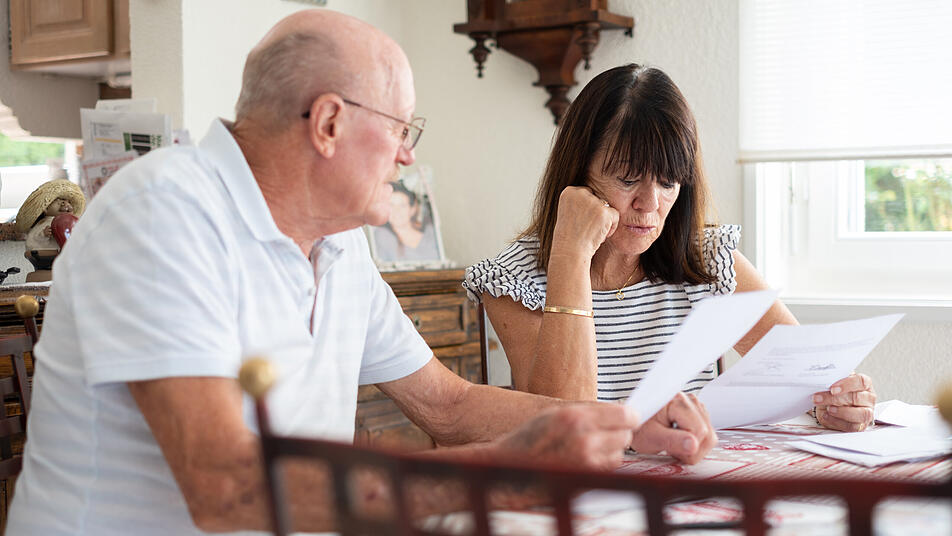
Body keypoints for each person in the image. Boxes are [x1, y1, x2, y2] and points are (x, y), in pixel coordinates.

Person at [7, 15, 715, 536]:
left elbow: (448, 405)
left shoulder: (338, 248)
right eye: (402, 129)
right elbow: (226, 489)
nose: (408, 158)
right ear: (328, 125)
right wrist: (502, 469)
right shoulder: (162, 213)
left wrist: (621, 424)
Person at [464, 64, 876, 433]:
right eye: (627, 180)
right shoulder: (513, 279)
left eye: (667, 182)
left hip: (693, 482)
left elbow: (811, 378)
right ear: (578, 173)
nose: (650, 205)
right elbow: (565, 422)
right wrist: (571, 255)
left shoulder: (707, 260)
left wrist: (836, 402)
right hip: (583, 499)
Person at [371, 181, 441, 262]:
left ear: (412, 209)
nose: (397, 211)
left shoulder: (430, 232)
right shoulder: (382, 235)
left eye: (402, 206)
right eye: (391, 205)